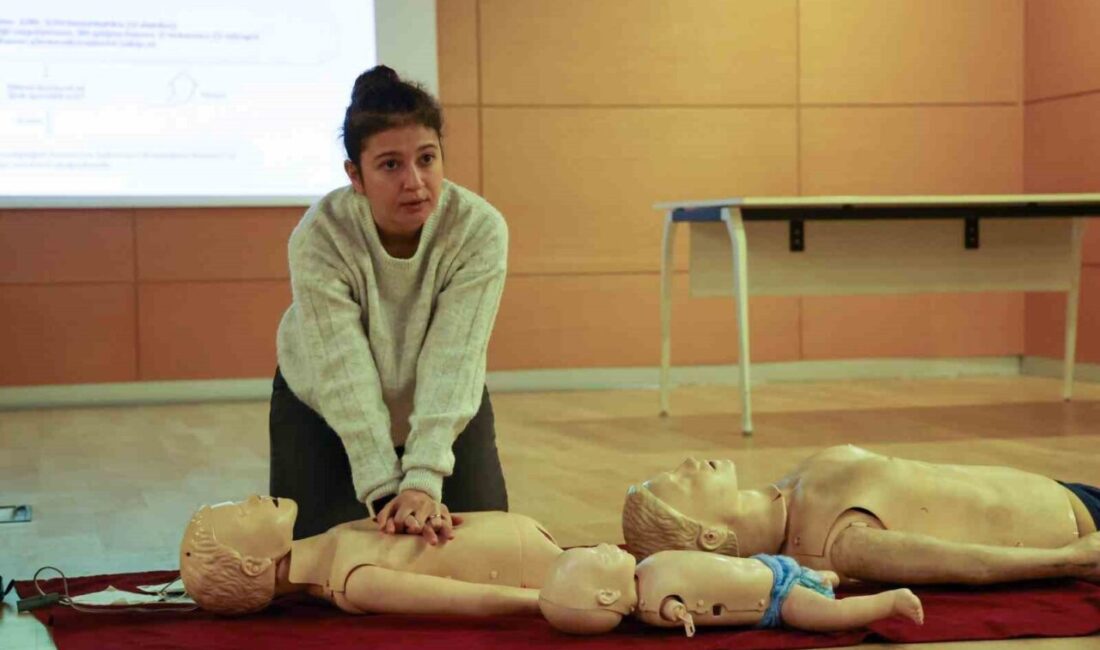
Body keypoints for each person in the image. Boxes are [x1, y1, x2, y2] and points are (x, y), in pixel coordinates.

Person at [270, 65, 509, 542]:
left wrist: (422, 480)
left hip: (443, 402)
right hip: (323, 404)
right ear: (355, 175)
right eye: (390, 165)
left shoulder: (478, 229)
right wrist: (385, 491)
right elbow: (342, 368)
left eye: (427, 158)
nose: (415, 181)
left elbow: (454, 357)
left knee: (485, 553)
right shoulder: (321, 235)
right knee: (312, 571)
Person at [621, 445, 1100, 586]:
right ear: (709, 535)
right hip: (1080, 521)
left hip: (1064, 491)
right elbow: (969, 564)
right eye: (681, 482)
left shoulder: (793, 488)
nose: (686, 464)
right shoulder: (841, 544)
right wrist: (1071, 560)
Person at [179, 496, 561, 616]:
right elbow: (468, 600)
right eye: (243, 512)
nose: (253, 499)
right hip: (532, 564)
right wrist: (548, 602)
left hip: (523, 541)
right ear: (252, 564)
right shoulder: (353, 583)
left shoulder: (333, 542)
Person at [538, 545, 923, 636]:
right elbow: (672, 606)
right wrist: (679, 613)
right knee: (831, 617)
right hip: (776, 600)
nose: (601, 545)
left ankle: (827, 579)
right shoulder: (652, 606)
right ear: (606, 597)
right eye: (596, 556)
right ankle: (889, 601)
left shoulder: (645, 568)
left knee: (822, 578)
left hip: (768, 566)